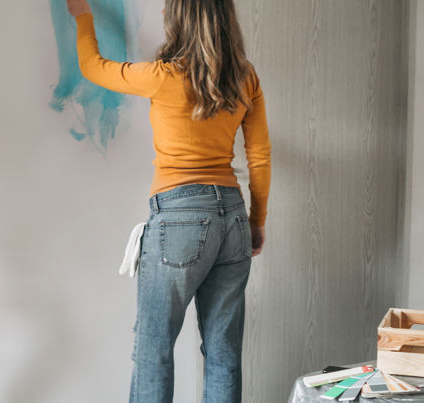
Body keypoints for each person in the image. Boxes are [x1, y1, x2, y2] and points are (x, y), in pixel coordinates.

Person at [65, 0, 270, 401]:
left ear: (181, 18)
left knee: (153, 349)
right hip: (232, 220)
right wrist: (256, 220)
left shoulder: (164, 76)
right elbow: (259, 154)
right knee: (223, 353)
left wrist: (84, 16)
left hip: (179, 217)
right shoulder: (245, 78)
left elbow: (93, 67)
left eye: (168, 7)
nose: (161, 13)